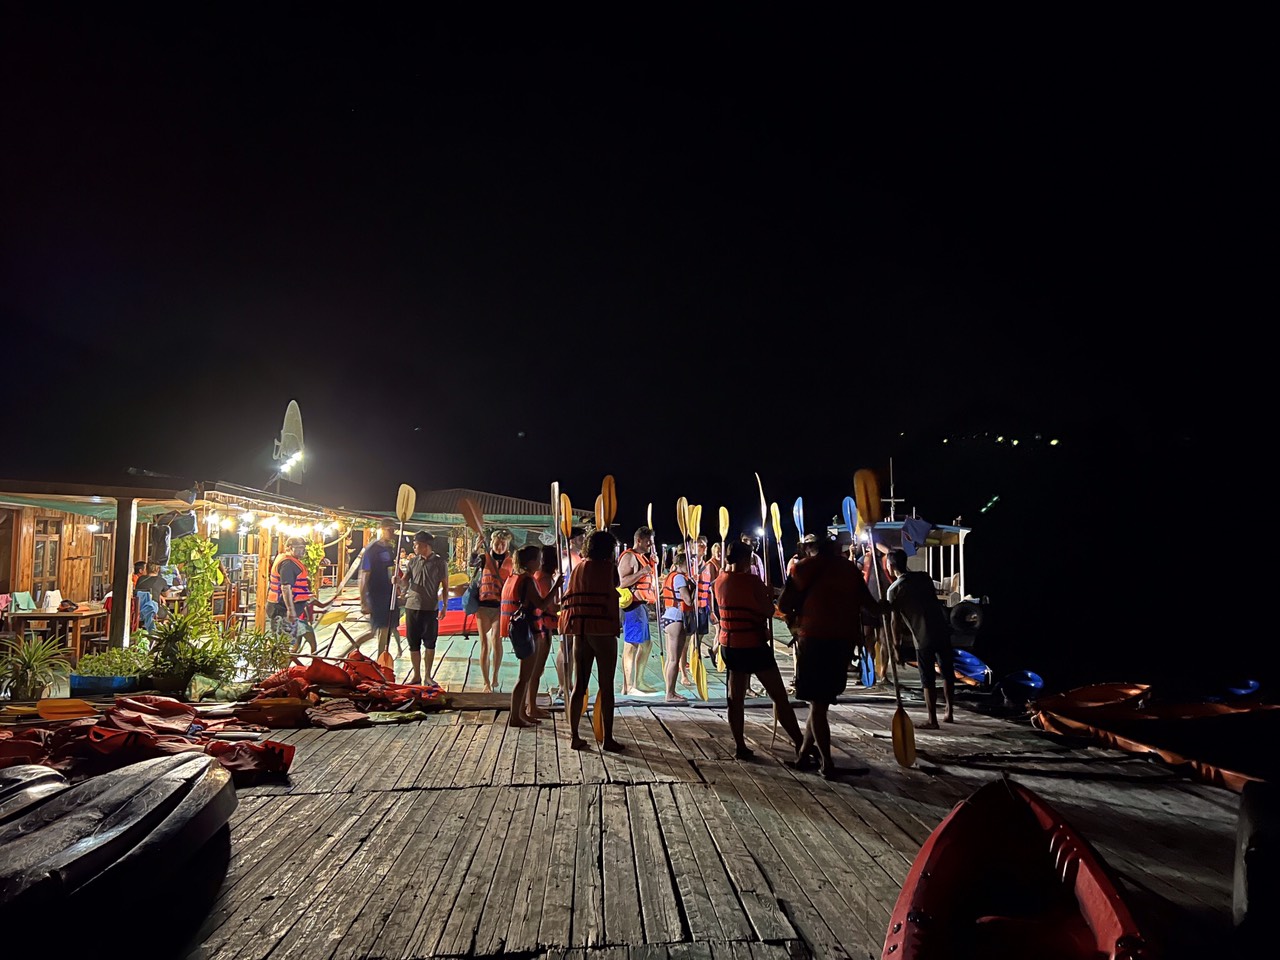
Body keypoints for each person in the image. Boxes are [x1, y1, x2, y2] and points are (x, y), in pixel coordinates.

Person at [776, 530, 880, 779]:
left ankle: (820, 761)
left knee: (818, 704)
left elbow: (782, 605)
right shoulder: (850, 570)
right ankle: (812, 759)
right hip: (842, 643)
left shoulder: (802, 569)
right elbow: (872, 606)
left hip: (813, 640)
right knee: (819, 703)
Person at [714, 539, 804, 760]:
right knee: (779, 697)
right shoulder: (751, 581)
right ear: (745, 559)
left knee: (735, 699)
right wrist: (766, 593)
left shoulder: (719, 581)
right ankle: (801, 743)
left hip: (730, 645)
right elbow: (766, 611)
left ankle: (740, 746)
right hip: (752, 645)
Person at [559, 529, 625, 751]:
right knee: (606, 687)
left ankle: (574, 736)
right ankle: (607, 739)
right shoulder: (608, 569)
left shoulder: (578, 568)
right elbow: (616, 584)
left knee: (579, 685)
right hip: (603, 631)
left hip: (581, 630)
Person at [884, 547, 956, 728]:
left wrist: (896, 647)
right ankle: (949, 711)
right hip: (942, 630)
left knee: (927, 678)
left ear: (891, 565)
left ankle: (932, 719)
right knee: (947, 672)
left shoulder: (895, 589)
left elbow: (895, 623)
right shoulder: (925, 578)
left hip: (923, 636)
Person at [500, 545, 562, 728]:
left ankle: (521, 714)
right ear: (531, 562)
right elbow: (542, 604)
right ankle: (515, 716)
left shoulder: (520, 578)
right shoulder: (527, 581)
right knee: (524, 676)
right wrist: (557, 586)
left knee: (526, 675)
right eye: (539, 559)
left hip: (525, 629)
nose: (541, 562)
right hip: (528, 630)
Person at [344, 519, 400, 657]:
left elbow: (390, 570)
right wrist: (363, 601)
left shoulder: (389, 548)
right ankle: (347, 652)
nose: (392, 533)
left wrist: (397, 585)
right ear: (382, 529)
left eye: (394, 530)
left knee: (387, 628)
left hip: (388, 593)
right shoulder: (372, 549)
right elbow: (364, 576)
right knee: (374, 631)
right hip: (376, 594)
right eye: (389, 529)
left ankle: (381, 658)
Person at [400, 531, 449, 685]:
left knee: (430, 642)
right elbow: (405, 582)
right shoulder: (413, 562)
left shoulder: (440, 563)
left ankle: (428, 676)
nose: (414, 547)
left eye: (416, 545)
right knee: (413, 642)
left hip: (430, 607)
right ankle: (416, 675)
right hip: (412, 606)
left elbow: (445, 587)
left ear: (425, 546)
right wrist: (398, 581)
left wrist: (444, 606)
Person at [470, 528, 514, 692]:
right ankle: (486, 682)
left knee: (496, 640)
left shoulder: (512, 561)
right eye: (497, 543)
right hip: (483, 606)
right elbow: (471, 563)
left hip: (500, 607)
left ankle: (495, 676)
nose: (500, 546)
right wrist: (475, 549)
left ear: (507, 545)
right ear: (492, 543)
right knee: (484, 644)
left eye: (503, 543)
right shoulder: (484, 558)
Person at [617, 526, 659, 695]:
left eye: (652, 541)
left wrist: (651, 565)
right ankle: (627, 686)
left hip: (642, 605)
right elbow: (621, 582)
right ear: (639, 540)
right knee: (631, 645)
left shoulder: (643, 558)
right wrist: (643, 571)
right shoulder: (629, 557)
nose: (650, 544)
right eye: (648, 541)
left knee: (647, 644)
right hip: (632, 606)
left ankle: (639, 681)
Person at [266, 536, 317, 654]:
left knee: (305, 630)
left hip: (293, 607)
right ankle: (281, 666)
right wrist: (290, 610)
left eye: (304, 547)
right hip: (282, 608)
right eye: (299, 548)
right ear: (289, 548)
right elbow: (286, 587)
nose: (303, 550)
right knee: (284, 641)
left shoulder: (292, 561)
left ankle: (314, 653)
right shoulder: (288, 563)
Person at [553, 526, 586, 700]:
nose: (583, 542)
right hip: (567, 605)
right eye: (581, 539)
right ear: (572, 540)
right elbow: (559, 578)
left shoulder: (579, 557)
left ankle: (570, 683)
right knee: (565, 646)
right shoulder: (565, 557)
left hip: (577, 605)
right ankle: (563, 685)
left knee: (574, 647)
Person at [527, 544, 560, 719]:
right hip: (542, 626)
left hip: (540, 625)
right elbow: (549, 605)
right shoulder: (544, 579)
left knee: (535, 669)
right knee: (536, 669)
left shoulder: (539, 576)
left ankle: (531, 704)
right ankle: (531, 706)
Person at [659, 551, 696, 702]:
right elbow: (687, 600)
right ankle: (670, 693)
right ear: (682, 564)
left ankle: (670, 691)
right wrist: (694, 589)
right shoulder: (680, 578)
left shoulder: (671, 576)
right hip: (676, 619)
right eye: (689, 564)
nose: (691, 566)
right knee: (674, 659)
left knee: (671, 658)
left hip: (668, 617)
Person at [693, 535, 719, 660]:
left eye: (705, 545)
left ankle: (696, 658)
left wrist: (712, 611)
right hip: (691, 607)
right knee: (689, 638)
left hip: (703, 606)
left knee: (700, 635)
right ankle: (686, 666)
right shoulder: (689, 564)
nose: (704, 548)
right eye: (700, 545)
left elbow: (709, 590)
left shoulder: (705, 566)